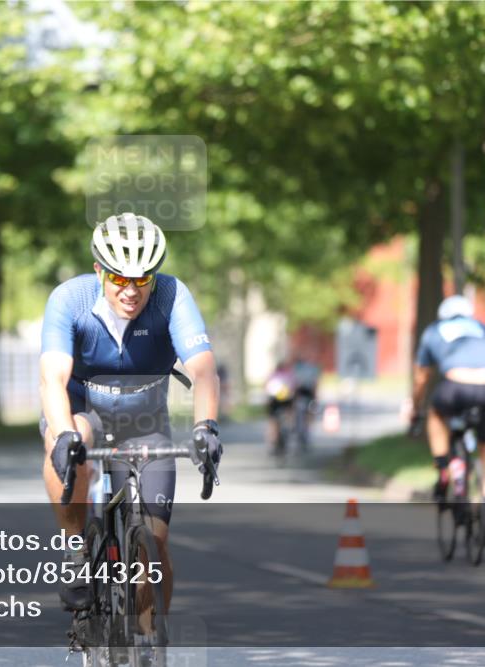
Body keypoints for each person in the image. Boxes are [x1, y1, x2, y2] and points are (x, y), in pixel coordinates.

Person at [38, 212, 222, 613]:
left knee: (155, 547)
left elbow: (204, 369)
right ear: (98, 271)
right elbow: (53, 378)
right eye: (119, 278)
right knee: (67, 441)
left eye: (142, 279)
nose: (130, 290)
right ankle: (74, 551)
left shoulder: (171, 296)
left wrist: (206, 428)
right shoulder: (70, 300)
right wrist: (64, 435)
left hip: (145, 425)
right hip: (82, 412)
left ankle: (149, 640)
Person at [410, 295, 485, 528]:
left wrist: (416, 406)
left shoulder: (434, 330)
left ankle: (443, 467)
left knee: (436, 415)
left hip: (455, 387)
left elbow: (422, 376)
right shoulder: (483, 329)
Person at [265, 359, 297, 454]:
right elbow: (294, 387)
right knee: (286, 414)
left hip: (275, 400)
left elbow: (267, 387)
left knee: (273, 420)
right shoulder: (289, 375)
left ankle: (273, 439)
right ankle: (289, 427)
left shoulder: (273, 375)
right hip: (284, 400)